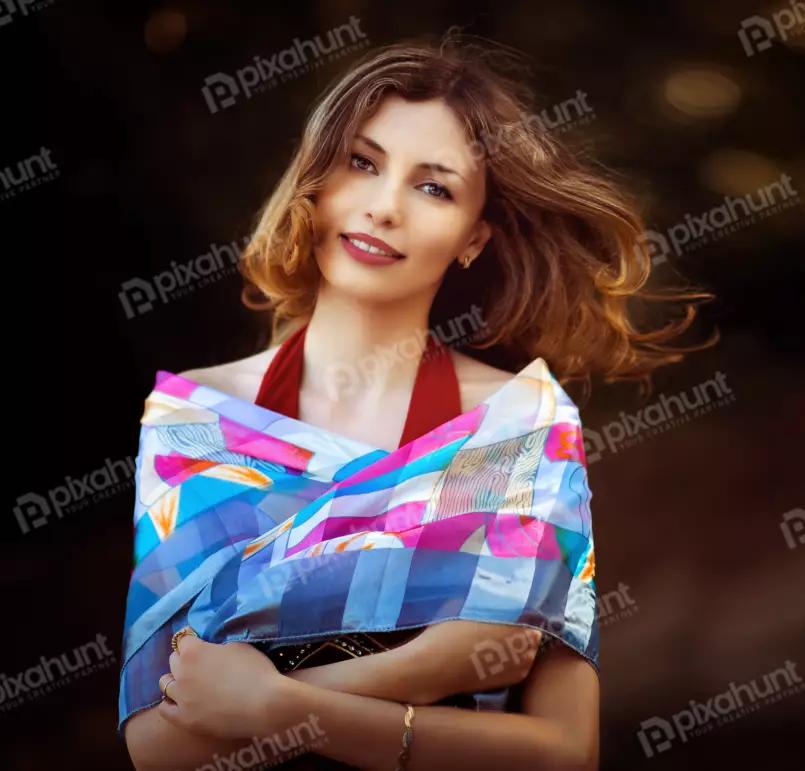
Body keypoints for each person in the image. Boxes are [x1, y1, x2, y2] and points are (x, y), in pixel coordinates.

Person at [120, 30, 716, 771]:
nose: (383, 206)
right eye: (362, 164)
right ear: (316, 180)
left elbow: (566, 752)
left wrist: (273, 704)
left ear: (473, 237)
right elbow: (158, 748)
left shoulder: (517, 428)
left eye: (432, 186)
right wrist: (414, 670)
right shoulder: (196, 420)